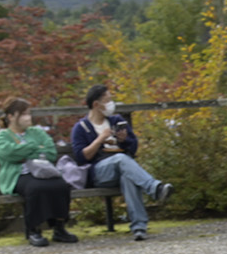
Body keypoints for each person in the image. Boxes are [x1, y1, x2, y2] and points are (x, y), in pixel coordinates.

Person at [70, 85, 172, 242]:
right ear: (96, 104)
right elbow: (82, 157)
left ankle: (139, 228)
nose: (112, 103)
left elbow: (133, 147)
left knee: (128, 176)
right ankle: (154, 188)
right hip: (99, 172)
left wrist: (124, 141)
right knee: (122, 159)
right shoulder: (81, 127)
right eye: (108, 100)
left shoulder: (116, 121)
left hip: (123, 167)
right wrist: (100, 138)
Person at [0, 96, 76, 248]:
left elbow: (51, 153)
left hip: (43, 171)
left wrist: (24, 153)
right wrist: (34, 148)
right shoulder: (2, 136)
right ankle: (34, 229)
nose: (28, 117)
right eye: (24, 114)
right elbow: (8, 154)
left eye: (29, 113)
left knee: (61, 185)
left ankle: (59, 227)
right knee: (35, 188)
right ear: (11, 117)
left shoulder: (37, 132)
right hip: (19, 176)